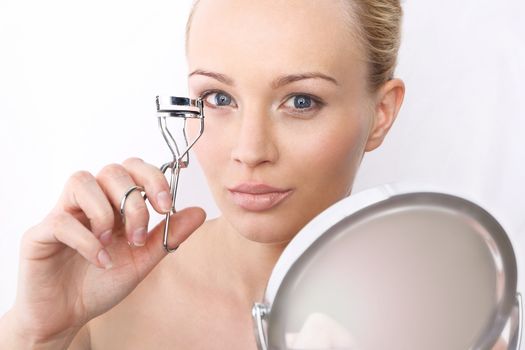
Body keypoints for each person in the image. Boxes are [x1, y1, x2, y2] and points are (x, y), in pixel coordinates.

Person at [0, 0, 405, 348]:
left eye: (301, 101)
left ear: (381, 115)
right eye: (218, 98)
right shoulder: (105, 300)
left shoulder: (443, 306)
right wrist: (34, 334)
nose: (249, 151)